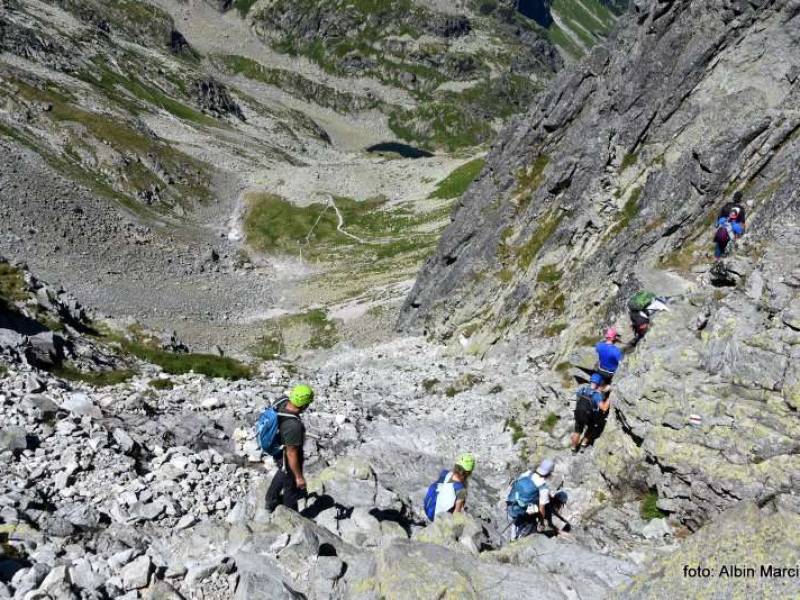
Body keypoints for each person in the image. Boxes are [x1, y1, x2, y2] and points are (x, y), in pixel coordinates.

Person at [265, 384, 315, 512]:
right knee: (291, 484)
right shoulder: (293, 426)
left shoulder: (281, 401)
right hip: (286, 454)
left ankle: (271, 499)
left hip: (276, 445)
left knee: (283, 471)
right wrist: (299, 477)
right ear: (304, 405)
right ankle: (291, 515)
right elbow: (291, 453)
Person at [506, 459, 569, 538]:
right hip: (520, 511)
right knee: (533, 521)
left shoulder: (527, 473)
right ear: (548, 473)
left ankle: (514, 531)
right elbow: (541, 508)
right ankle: (520, 536)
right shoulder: (542, 487)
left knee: (529, 506)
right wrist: (541, 521)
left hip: (510, 504)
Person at [424, 453, 475, 520]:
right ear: (468, 473)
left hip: (428, 508)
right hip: (437, 517)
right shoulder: (461, 490)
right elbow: (456, 513)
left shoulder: (445, 473)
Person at [571, 374, 610, 451]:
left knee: (577, 432)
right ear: (599, 383)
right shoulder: (597, 395)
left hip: (578, 413)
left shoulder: (583, 388)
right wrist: (609, 398)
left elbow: (578, 396)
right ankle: (584, 443)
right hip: (589, 417)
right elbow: (604, 408)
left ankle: (573, 448)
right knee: (591, 429)